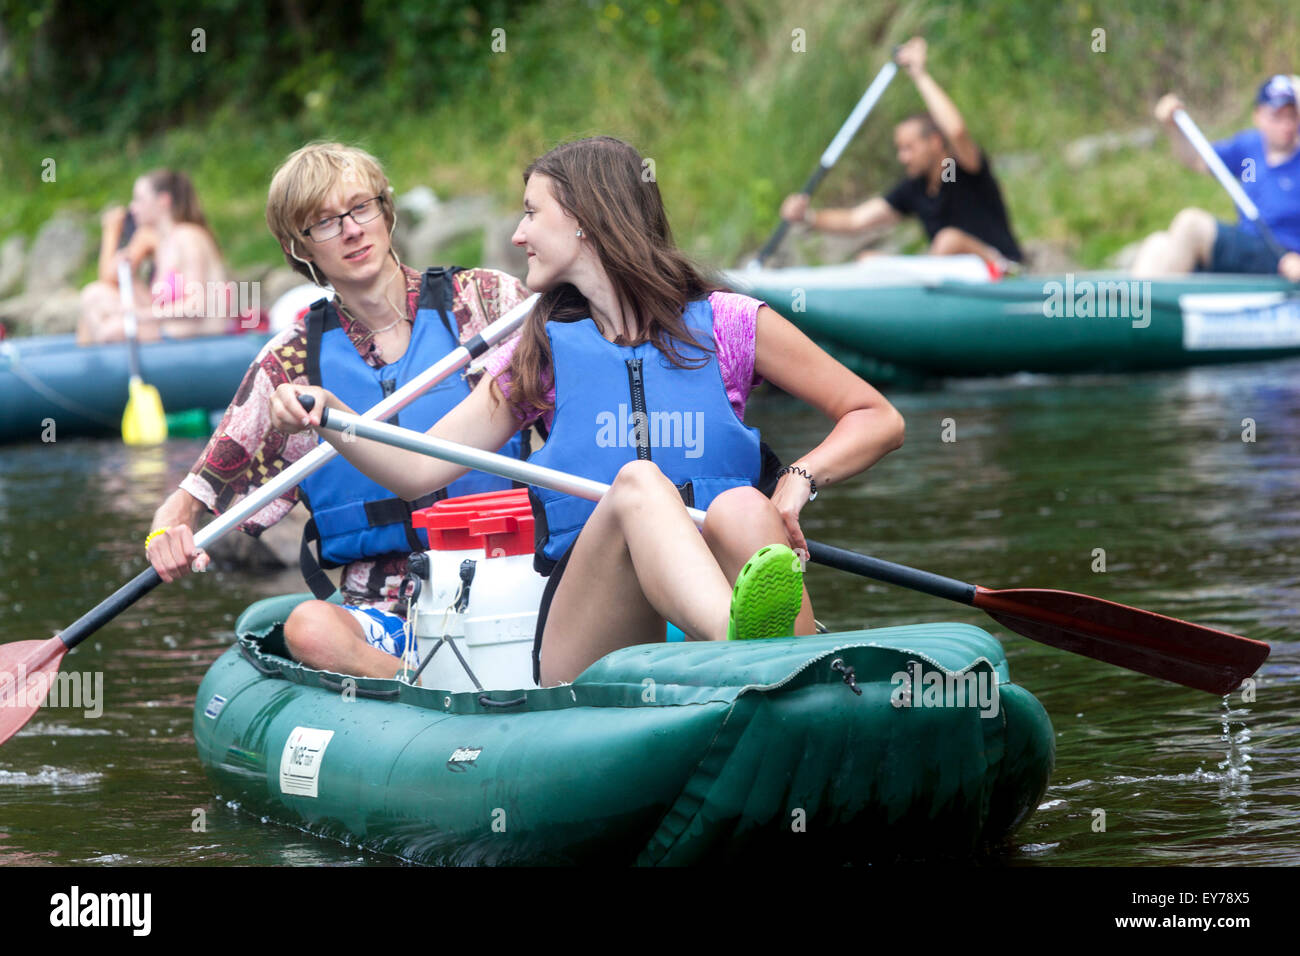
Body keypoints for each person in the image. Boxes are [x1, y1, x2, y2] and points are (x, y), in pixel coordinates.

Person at [271, 136, 906, 687]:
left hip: (720, 564)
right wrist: (333, 417)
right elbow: (416, 471)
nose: (516, 235)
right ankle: (734, 631)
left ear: (583, 221)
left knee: (745, 505)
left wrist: (797, 482)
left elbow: (875, 415)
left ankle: (783, 672)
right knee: (636, 486)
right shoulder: (541, 351)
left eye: (530, 214)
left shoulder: (729, 323)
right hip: (595, 633)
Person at [144, 143, 531, 679]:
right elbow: (192, 497)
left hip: (511, 575)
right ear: (296, 245)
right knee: (309, 626)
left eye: (360, 208)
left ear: (386, 210)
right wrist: (164, 534)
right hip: (384, 613)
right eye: (323, 222)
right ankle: (420, 690)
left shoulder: (488, 304)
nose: (351, 230)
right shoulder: (290, 363)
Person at [779, 37, 1022, 271]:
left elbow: (956, 131)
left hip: (999, 271)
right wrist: (807, 217)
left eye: (909, 148)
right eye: (900, 149)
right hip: (951, 279)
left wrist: (919, 74)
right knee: (869, 261)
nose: (902, 157)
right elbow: (855, 220)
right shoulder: (914, 188)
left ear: (935, 142)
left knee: (948, 239)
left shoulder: (964, 168)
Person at [1133, 75, 1300, 278]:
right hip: (1247, 245)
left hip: (1282, 256)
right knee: (1157, 244)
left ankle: (1155, 303)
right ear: (1258, 116)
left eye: (1291, 116)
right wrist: (1173, 128)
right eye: (1277, 116)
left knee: (1191, 224)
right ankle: (1137, 307)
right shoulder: (1249, 148)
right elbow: (1196, 160)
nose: (1286, 125)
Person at [78, 170, 230, 345]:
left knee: (112, 330)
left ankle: (90, 365)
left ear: (163, 201)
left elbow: (196, 305)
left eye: (140, 200)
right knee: (93, 295)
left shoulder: (188, 237)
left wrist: (139, 315)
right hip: (171, 334)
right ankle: (85, 364)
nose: (133, 208)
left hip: (198, 339)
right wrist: (131, 279)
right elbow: (158, 306)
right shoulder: (165, 244)